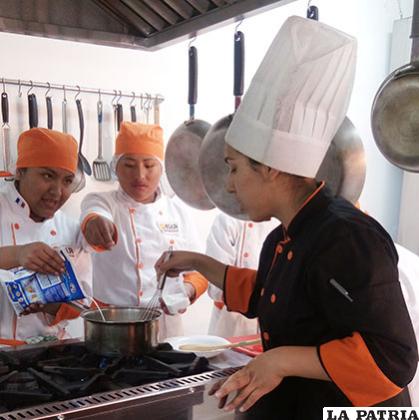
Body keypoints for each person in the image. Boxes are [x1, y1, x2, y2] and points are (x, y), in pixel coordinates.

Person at [155, 16, 418, 418]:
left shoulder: (346, 237)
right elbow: (268, 295)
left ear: (272, 168)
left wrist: (281, 361)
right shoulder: (285, 236)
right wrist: (197, 262)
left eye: (235, 167)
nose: (228, 185)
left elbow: (393, 359)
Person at [80, 122, 207, 340]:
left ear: (162, 168)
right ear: (115, 168)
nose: (140, 175)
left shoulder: (177, 211)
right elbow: (93, 214)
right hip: (113, 324)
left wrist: (186, 291)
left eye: (149, 165)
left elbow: (199, 271)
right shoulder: (103, 201)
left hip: (166, 326)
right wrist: (96, 224)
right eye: (129, 165)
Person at [0, 128, 91, 345]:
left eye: (67, 181)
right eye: (48, 175)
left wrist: (48, 305)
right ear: (20, 171)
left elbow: (82, 305)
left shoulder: (70, 229)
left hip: (51, 355)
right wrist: (16, 255)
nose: (57, 191)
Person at [206, 213, 277, 337]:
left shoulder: (279, 221)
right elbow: (216, 284)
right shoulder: (227, 219)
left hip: (269, 314)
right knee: (228, 354)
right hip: (229, 316)